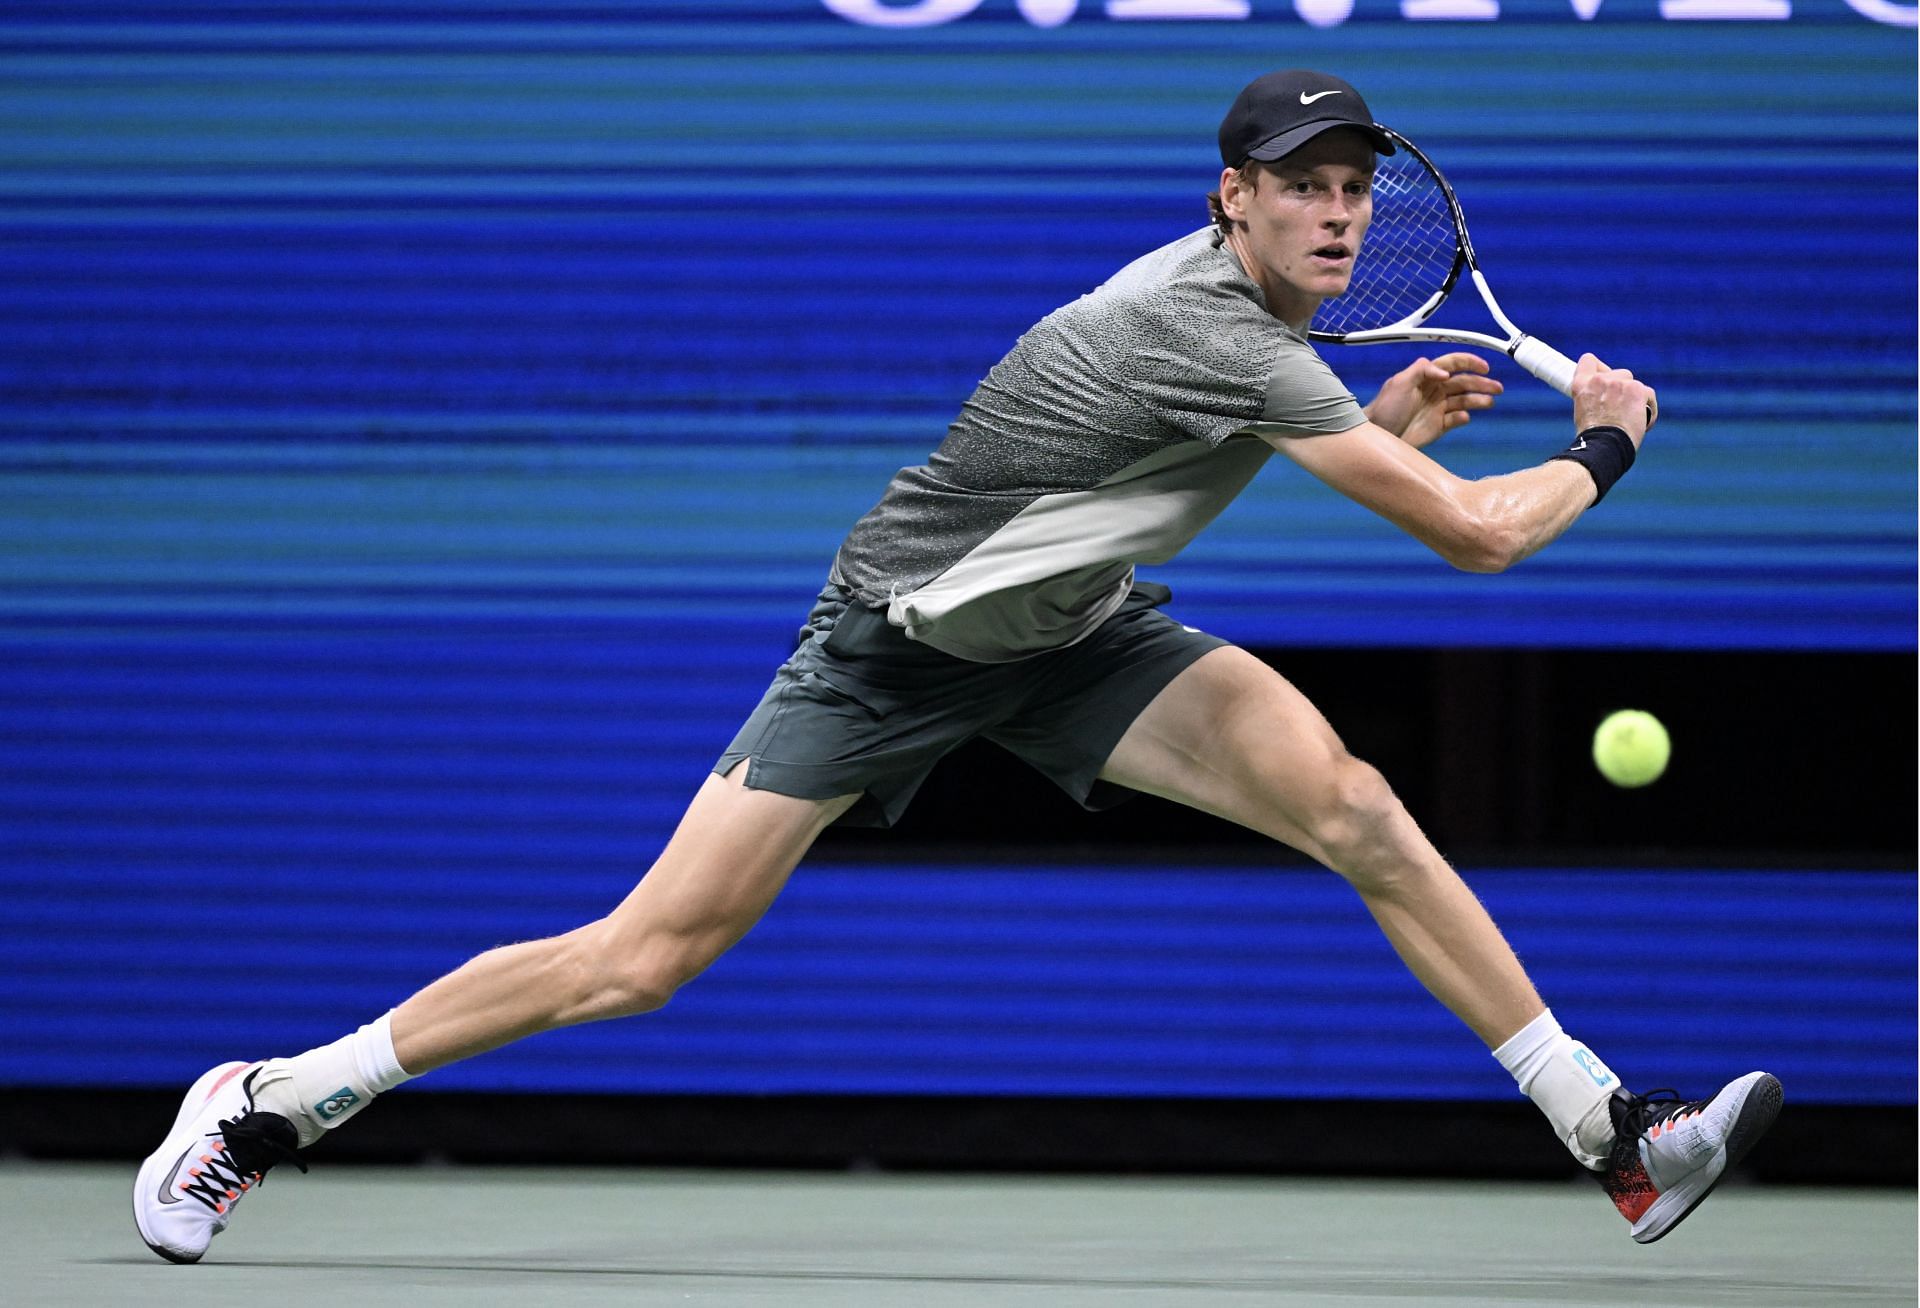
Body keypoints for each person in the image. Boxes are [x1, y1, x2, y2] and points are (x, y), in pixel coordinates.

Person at [134, 68, 1780, 1263]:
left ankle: (1611, 1133)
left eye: (1355, 188)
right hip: (895, 643)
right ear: (1234, 201)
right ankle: (277, 1098)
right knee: (642, 958)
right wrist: (1609, 445)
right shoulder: (1207, 329)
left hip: (1076, 639)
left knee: (1354, 807)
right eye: (1303, 187)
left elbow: (1191, 478)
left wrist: (1390, 427)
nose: (1339, 214)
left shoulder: (1254, 336)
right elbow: (1482, 538)